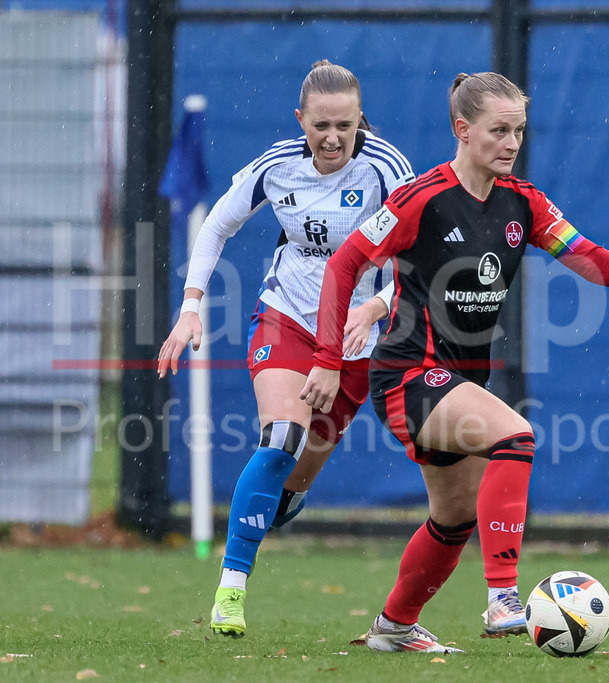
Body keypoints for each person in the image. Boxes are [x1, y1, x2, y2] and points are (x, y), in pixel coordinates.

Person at [301, 71, 609, 653]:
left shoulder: (525, 202)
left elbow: (589, 259)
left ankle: (393, 627)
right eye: (499, 131)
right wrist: (327, 358)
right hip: (407, 375)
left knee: (454, 517)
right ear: (463, 130)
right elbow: (344, 264)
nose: (512, 143)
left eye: (518, 130)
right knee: (516, 437)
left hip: (459, 379)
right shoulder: (419, 199)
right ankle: (502, 598)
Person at [156, 60, 415, 638]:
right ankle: (231, 588)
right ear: (301, 119)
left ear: (360, 120)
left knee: (296, 477)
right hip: (288, 317)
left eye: (344, 126)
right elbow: (214, 227)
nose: (333, 138)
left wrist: (373, 309)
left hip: (357, 337)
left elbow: (417, 258)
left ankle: (284, 499)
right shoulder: (277, 166)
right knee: (280, 440)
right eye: (321, 125)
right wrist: (191, 304)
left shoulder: (388, 170)